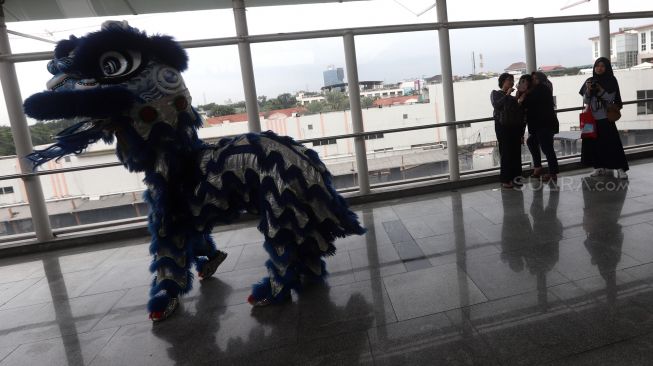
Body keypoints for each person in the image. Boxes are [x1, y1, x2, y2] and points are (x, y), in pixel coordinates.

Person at [579, 57, 629, 179]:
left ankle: (620, 169)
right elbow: (585, 101)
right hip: (592, 119)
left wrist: (600, 90)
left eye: (602, 66)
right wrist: (589, 91)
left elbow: (610, 98)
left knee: (612, 144)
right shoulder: (589, 80)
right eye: (597, 66)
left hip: (606, 118)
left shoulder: (611, 80)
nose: (599, 68)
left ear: (606, 68)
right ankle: (599, 167)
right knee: (595, 145)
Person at [521, 71, 559, 182]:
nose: (533, 81)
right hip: (542, 125)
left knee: (547, 149)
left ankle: (552, 173)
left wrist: (523, 95)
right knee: (532, 142)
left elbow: (527, 103)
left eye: (535, 79)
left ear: (541, 79)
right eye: (532, 79)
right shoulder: (540, 89)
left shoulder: (541, 89)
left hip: (544, 125)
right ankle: (539, 167)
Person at [491, 73, 525, 188]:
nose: (511, 82)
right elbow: (497, 105)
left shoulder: (511, 97)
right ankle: (506, 179)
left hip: (514, 127)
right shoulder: (495, 93)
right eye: (509, 80)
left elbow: (516, 112)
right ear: (502, 82)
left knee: (516, 153)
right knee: (506, 152)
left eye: (512, 80)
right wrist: (507, 94)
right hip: (502, 127)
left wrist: (518, 98)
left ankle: (517, 178)